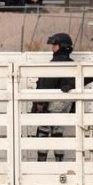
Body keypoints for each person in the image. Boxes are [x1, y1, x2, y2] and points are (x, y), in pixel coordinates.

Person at [32, 33, 75, 162]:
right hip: (66, 106)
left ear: (61, 46)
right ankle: (59, 164)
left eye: (55, 45)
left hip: (52, 104)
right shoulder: (72, 64)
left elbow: (46, 85)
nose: (52, 48)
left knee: (43, 131)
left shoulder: (55, 63)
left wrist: (39, 104)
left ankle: (42, 163)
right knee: (58, 133)